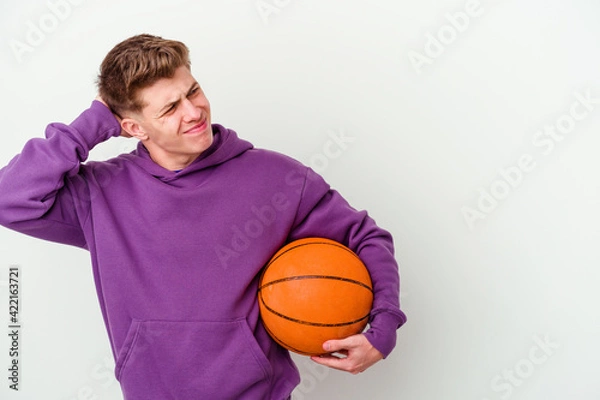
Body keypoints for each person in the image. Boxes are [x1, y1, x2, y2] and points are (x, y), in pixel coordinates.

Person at [0, 34, 406, 399]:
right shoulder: (99, 195)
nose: (194, 111)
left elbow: (366, 237)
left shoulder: (277, 179)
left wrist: (383, 329)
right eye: (170, 108)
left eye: (193, 91)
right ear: (131, 127)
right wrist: (91, 124)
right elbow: (9, 198)